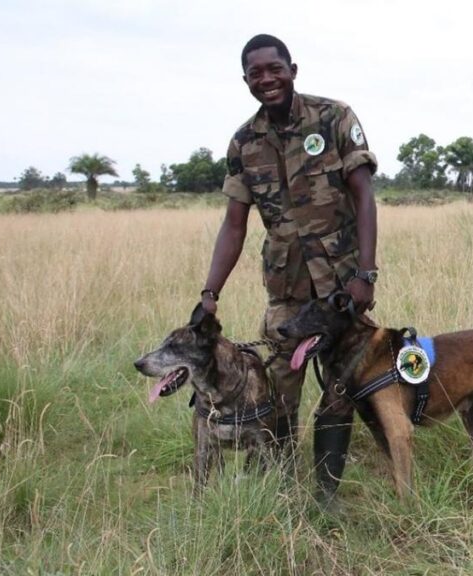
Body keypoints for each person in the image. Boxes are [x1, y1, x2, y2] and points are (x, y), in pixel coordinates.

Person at [199, 34, 379, 505]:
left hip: (342, 286)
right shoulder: (243, 142)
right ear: (246, 81)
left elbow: (363, 196)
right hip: (287, 291)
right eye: (256, 73)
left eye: (274, 69)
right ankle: (281, 489)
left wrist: (366, 274)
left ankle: (326, 494)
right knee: (279, 391)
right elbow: (234, 225)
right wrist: (210, 292)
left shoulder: (334, 117)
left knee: (344, 386)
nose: (266, 79)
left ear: (292, 70)